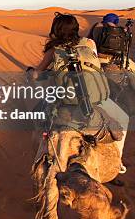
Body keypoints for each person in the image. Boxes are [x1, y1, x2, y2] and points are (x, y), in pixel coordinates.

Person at [28, 13, 128, 177]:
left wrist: (31, 73)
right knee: (124, 119)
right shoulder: (89, 43)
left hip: (63, 101)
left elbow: (36, 75)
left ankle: (38, 158)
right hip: (94, 102)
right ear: (75, 29)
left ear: (56, 30)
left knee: (38, 118)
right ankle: (118, 163)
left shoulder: (54, 50)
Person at [88, 13, 135, 107]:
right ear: (115, 21)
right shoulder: (118, 31)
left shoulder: (96, 27)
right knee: (132, 69)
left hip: (96, 58)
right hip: (113, 60)